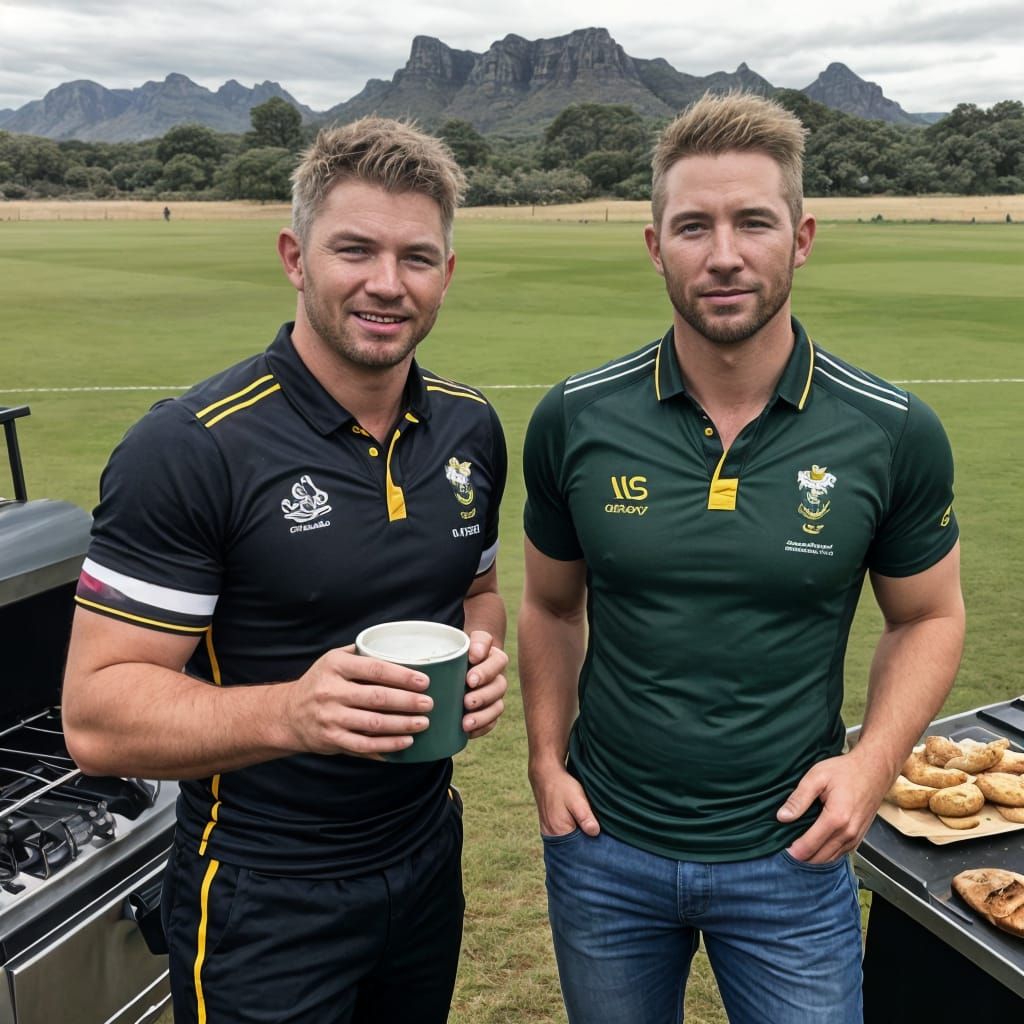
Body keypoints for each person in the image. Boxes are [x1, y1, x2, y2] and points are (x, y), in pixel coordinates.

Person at [518, 91, 964, 1024]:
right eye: (694, 227)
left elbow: (928, 616)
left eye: (753, 222)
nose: (723, 255)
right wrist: (545, 761)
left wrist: (871, 767)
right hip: (604, 852)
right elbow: (552, 606)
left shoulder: (892, 430)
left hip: (791, 855)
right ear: (656, 246)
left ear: (801, 239)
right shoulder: (575, 418)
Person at [63, 117, 509, 1024]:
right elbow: (97, 717)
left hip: (426, 860)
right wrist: (293, 712)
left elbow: (478, 594)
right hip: (263, 891)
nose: (388, 283)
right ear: (295, 257)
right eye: (355, 249)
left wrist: (482, 656)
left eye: (417, 257)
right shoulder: (191, 447)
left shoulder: (471, 428)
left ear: (447, 273)